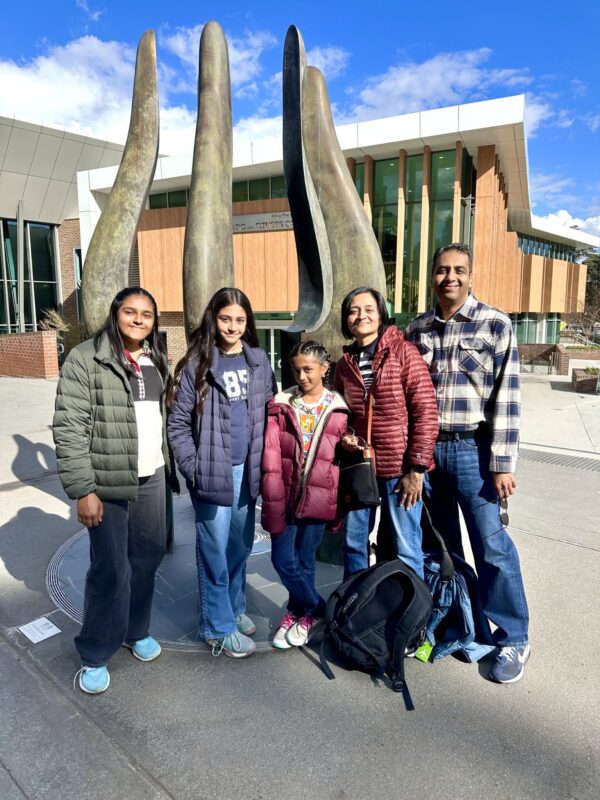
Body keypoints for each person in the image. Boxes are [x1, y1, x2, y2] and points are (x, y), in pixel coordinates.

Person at [405, 242, 530, 684]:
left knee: (492, 547)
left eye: (459, 270)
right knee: (442, 547)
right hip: (427, 454)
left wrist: (502, 462)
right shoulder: (416, 329)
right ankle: (461, 623)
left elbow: (507, 397)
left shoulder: (495, 324)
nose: (450, 277)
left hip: (473, 452)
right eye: (442, 270)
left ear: (470, 275)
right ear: (432, 277)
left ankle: (514, 636)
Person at [53, 287, 171, 694]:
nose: (138, 320)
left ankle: (135, 630)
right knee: (110, 569)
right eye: (130, 312)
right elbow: (70, 427)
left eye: (147, 314)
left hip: (152, 475)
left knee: (147, 559)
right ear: (115, 314)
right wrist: (83, 490)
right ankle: (95, 651)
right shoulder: (86, 358)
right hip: (106, 480)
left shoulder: (155, 358)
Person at [167, 288, 275, 658]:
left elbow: (271, 413)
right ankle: (217, 626)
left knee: (240, 545)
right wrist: (194, 470)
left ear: (248, 323)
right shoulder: (197, 364)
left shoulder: (258, 361)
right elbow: (178, 425)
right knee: (213, 549)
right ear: (214, 319)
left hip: (249, 469)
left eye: (240, 320)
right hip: (212, 470)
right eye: (226, 318)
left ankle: (234, 607)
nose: (232, 326)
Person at [334, 287, 438, 579]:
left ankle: (412, 607)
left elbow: (426, 411)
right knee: (353, 543)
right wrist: (345, 437)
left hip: (400, 469)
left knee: (406, 546)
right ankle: (355, 602)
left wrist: (417, 469)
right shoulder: (344, 364)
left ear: (381, 314)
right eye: (353, 311)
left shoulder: (404, 352)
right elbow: (341, 414)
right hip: (360, 467)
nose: (361, 316)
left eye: (369, 309)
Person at [261, 340, 349, 649]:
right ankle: (318, 609)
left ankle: (298, 613)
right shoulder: (281, 404)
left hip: (320, 495)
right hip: (284, 493)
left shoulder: (339, 408)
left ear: (325, 368)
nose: (302, 377)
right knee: (282, 558)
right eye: (296, 370)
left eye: (308, 370)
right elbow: (271, 451)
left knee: (306, 559)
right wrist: (271, 491)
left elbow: (342, 457)